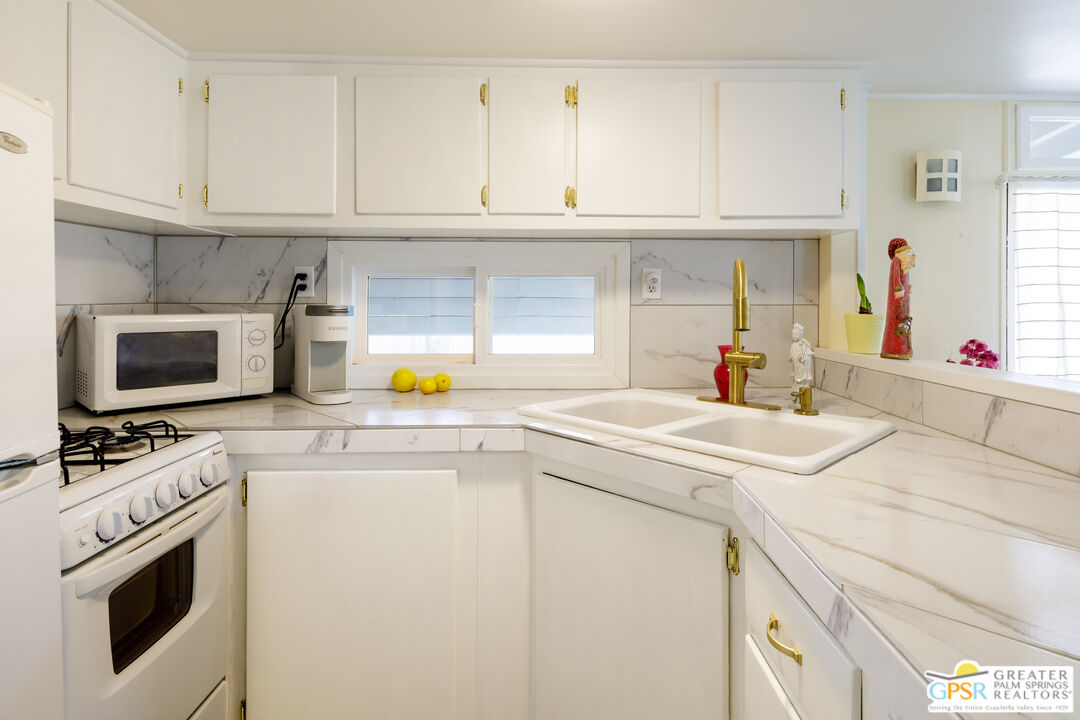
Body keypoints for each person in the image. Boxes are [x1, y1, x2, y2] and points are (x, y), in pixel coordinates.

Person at [881, 237, 916, 359]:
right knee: (896, 321)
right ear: (901, 252)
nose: (911, 255)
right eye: (908, 252)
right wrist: (899, 288)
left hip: (902, 299)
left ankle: (902, 349)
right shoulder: (897, 260)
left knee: (901, 320)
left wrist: (908, 287)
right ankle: (894, 349)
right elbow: (896, 277)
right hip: (897, 299)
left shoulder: (904, 264)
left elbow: (904, 277)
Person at [791, 322, 814, 396]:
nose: (794, 336)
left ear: (800, 335)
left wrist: (802, 355)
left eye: (796, 335)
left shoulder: (804, 343)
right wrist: (794, 356)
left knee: (803, 377)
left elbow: (807, 353)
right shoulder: (793, 345)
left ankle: (804, 387)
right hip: (797, 365)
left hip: (803, 364)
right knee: (797, 376)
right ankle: (797, 387)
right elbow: (793, 354)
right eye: (793, 335)